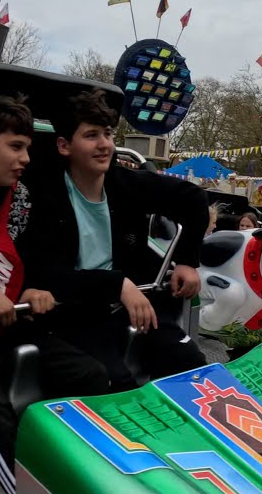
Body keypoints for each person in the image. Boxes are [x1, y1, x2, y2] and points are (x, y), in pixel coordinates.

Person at [0, 93, 108, 492]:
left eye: (27, 147)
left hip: (12, 324)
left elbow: (32, 259)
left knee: (91, 374)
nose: (26, 158)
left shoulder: (21, 198)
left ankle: (88, 483)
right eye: (15, 147)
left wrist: (34, 287)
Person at [18, 88, 209, 390]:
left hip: (131, 304)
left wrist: (187, 261)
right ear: (64, 146)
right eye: (91, 135)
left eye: (107, 134)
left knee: (190, 364)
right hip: (77, 312)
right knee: (116, 384)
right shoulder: (43, 197)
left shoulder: (126, 184)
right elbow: (49, 274)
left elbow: (195, 200)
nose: (104, 144)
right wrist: (118, 284)